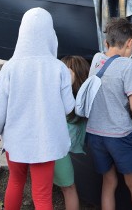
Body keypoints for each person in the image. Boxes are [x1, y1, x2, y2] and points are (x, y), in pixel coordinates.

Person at [0, 7, 75, 210]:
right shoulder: (59, 68)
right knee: (42, 194)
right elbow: (68, 108)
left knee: (15, 182)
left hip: (16, 140)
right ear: (50, 33)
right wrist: (70, 82)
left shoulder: (9, 67)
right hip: (46, 142)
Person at [85, 17, 132, 210]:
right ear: (130, 43)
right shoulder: (129, 66)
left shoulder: (97, 59)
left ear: (107, 42)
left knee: (108, 180)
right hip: (119, 135)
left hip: (95, 133)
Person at [54, 55, 90, 210]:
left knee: (67, 188)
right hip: (60, 151)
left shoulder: (67, 103)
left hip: (56, 151)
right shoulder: (84, 102)